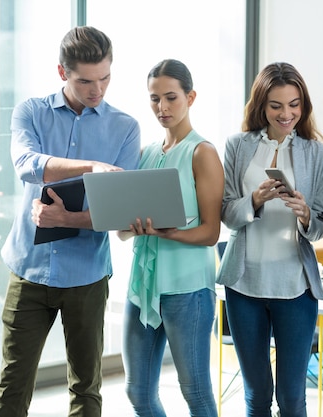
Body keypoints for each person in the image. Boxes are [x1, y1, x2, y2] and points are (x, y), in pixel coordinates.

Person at [0, 26, 141, 417]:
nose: (98, 89)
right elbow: (26, 165)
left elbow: (120, 212)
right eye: (85, 81)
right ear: (63, 73)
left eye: (105, 78)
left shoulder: (125, 128)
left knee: (87, 390)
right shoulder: (31, 112)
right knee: (12, 386)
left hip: (87, 277)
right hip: (28, 271)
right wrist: (91, 166)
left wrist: (66, 217)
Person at [217, 62, 323, 417]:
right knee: (256, 396)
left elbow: (319, 228)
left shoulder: (318, 154)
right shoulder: (238, 146)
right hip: (243, 285)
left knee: (293, 397)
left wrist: (305, 214)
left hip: (294, 288)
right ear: (261, 106)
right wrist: (254, 201)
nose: (287, 114)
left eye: (294, 104)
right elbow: (226, 214)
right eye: (276, 105)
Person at [117, 59, 223, 417]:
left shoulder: (202, 152)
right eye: (154, 99)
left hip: (187, 290)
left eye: (171, 98)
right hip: (143, 287)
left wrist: (169, 231)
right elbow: (121, 228)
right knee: (138, 393)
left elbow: (211, 233)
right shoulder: (145, 153)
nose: (162, 108)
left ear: (190, 97)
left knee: (195, 392)